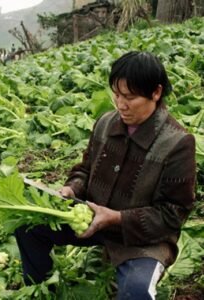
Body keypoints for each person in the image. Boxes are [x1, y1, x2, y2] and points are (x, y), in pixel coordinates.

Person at [15, 51, 196, 299]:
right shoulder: (105, 123)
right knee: (27, 225)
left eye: (130, 97)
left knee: (136, 291)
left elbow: (173, 213)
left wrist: (117, 218)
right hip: (92, 217)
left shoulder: (177, 143)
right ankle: (43, 290)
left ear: (156, 93)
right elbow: (85, 170)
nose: (120, 104)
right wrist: (71, 189)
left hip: (142, 238)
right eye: (117, 94)